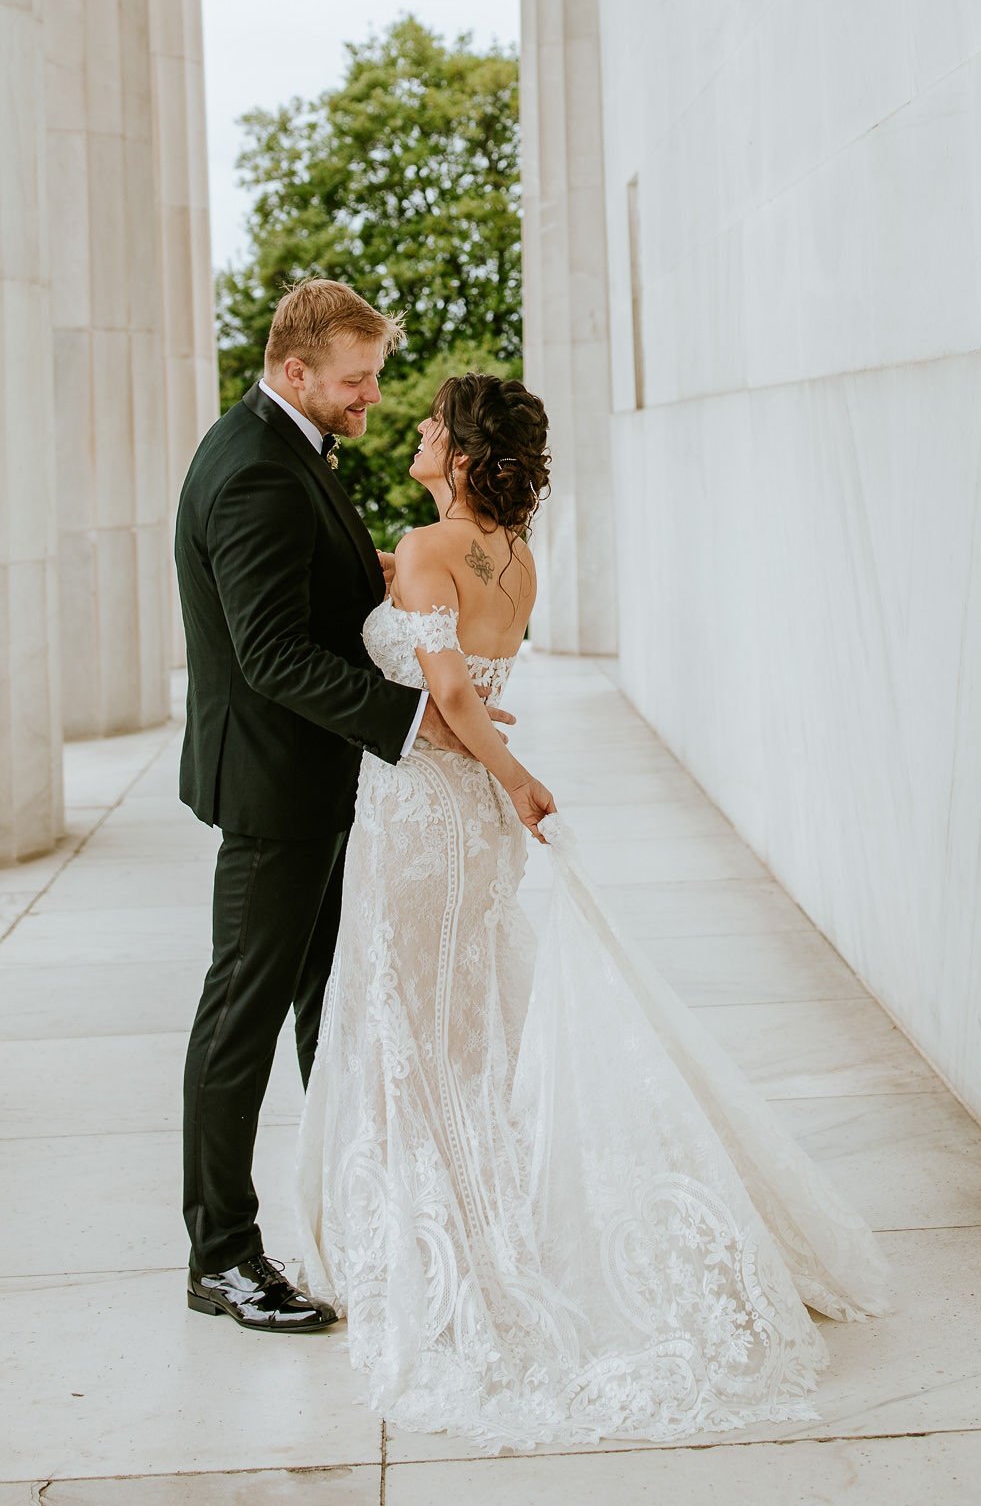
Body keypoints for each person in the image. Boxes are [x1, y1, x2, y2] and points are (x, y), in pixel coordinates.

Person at [296, 370, 890, 1450]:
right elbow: (474, 657)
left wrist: (512, 771)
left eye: (434, 424)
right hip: (467, 824)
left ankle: (445, 1240)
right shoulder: (516, 559)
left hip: (426, 817)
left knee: (413, 1016)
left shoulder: (430, 547)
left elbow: (454, 697)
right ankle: (480, 1205)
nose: (420, 431)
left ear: (466, 457)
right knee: (465, 1009)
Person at [174, 280, 516, 1333]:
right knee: (246, 1011)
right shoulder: (251, 473)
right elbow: (268, 650)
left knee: (336, 1001)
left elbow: (298, 596)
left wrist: (380, 579)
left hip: (326, 783)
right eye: (357, 379)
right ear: (295, 372)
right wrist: (428, 726)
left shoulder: (290, 450)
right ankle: (223, 1255)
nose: (371, 396)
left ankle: (360, 1209)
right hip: (275, 789)